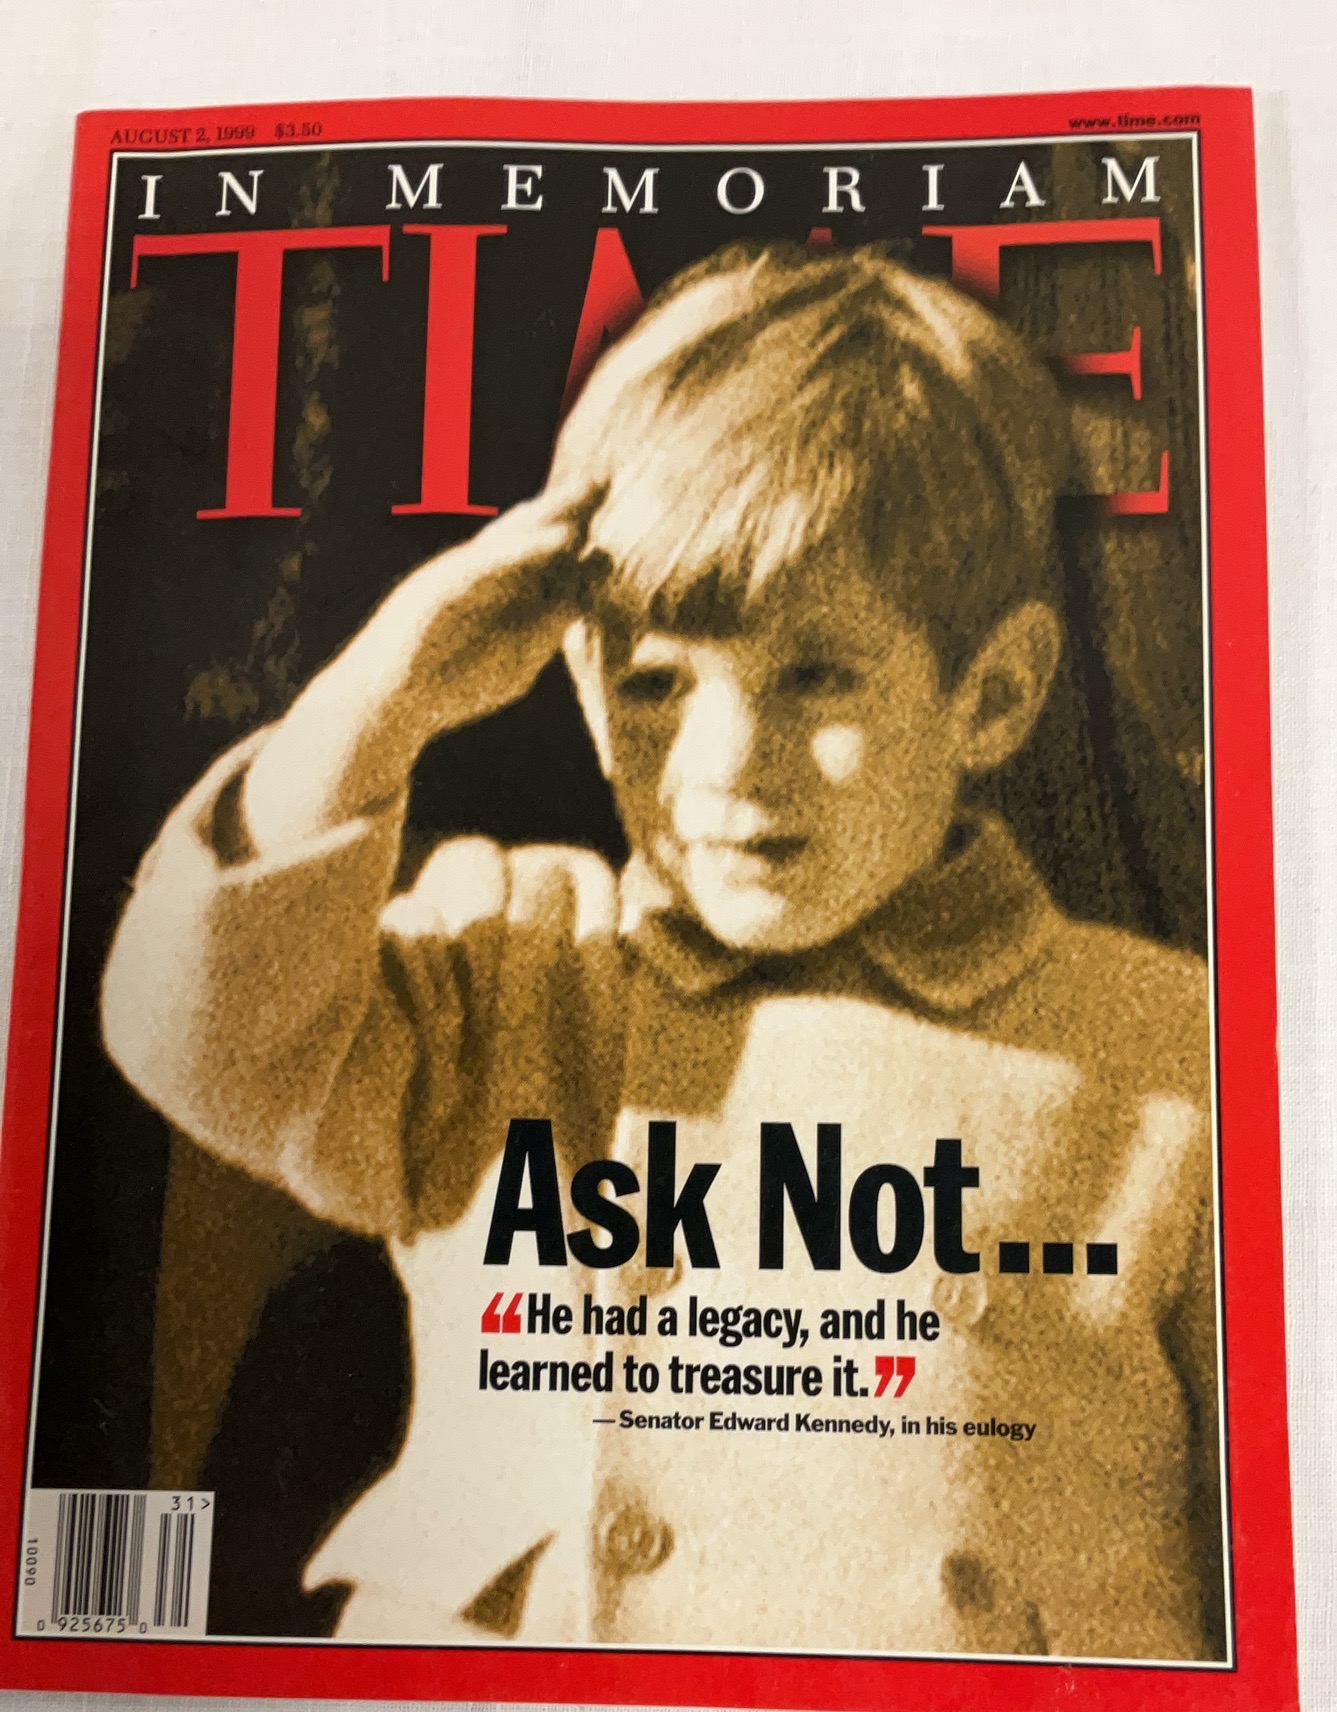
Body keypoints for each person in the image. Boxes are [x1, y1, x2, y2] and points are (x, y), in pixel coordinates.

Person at [102, 242, 1223, 1660]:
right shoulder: (511, 958)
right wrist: (380, 698)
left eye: (815, 675)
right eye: (653, 682)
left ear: (990, 695)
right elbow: (193, 1040)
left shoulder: (1166, 1055)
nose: (727, 763)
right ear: (580, 683)